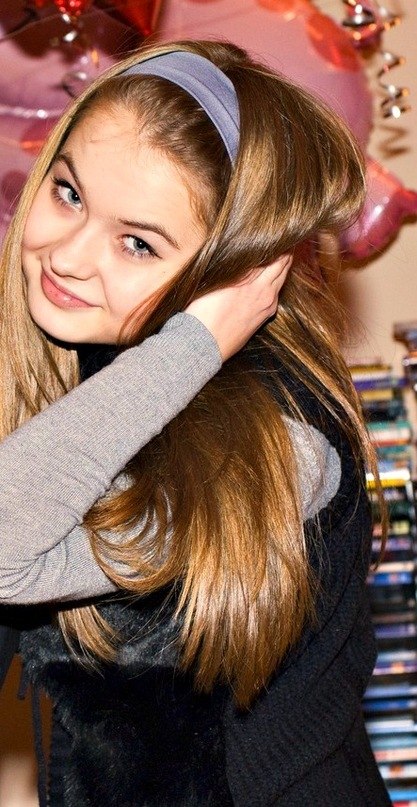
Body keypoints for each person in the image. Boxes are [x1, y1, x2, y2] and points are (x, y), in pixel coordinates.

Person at [0, 39, 391, 807]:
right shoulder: (77, 375)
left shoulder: (282, 435)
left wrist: (196, 342)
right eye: (69, 193)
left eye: (137, 242)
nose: (68, 256)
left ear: (230, 279)